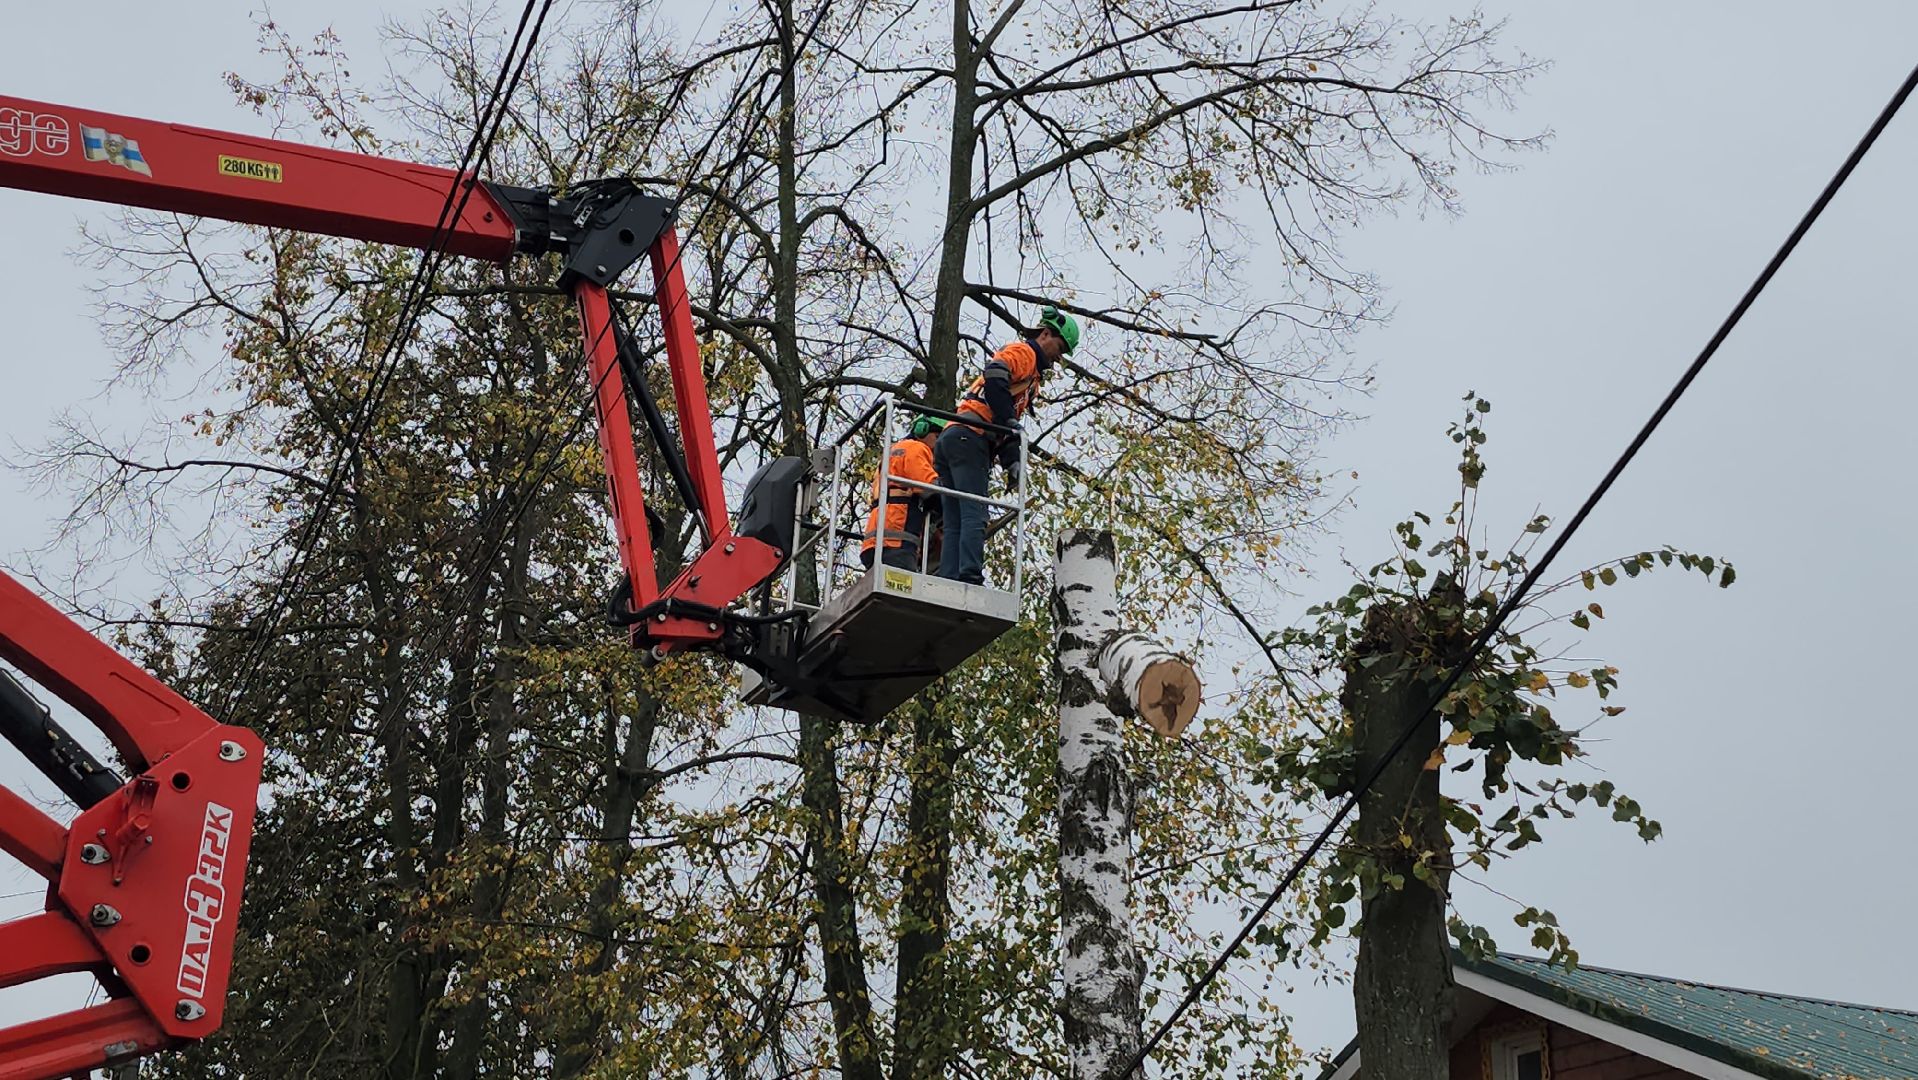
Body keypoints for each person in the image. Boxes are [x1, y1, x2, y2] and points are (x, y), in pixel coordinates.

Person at [934, 304, 1080, 584]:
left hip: (953, 436)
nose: (1059, 357)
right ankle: (969, 579)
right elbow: (996, 380)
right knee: (975, 513)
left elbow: (1004, 417)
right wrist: (1009, 423)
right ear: (1046, 334)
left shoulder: (1030, 381)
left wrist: (1011, 459)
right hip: (970, 436)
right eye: (1059, 348)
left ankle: (950, 578)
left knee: (955, 520)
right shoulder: (1024, 353)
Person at [860, 413, 947, 572]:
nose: (939, 446)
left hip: (877, 541)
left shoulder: (895, 451)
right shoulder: (914, 448)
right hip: (896, 541)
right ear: (923, 432)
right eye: (937, 437)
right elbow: (931, 488)